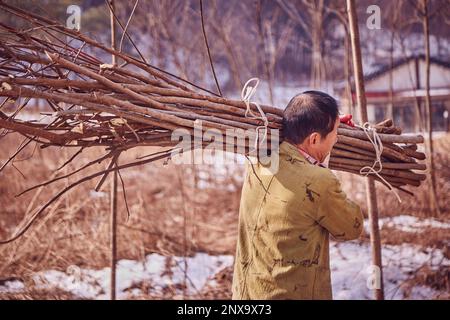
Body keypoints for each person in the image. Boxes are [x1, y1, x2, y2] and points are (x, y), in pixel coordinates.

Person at [232, 91, 363, 300]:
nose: (337, 138)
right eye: (335, 132)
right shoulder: (320, 182)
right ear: (314, 138)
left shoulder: (257, 162)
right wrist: (323, 170)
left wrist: (334, 123)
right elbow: (352, 228)